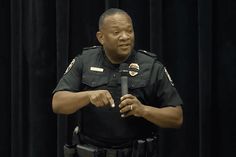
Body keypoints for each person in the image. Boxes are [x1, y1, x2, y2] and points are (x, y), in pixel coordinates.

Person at [52, 8, 183, 157]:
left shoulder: (151, 66)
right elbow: (57, 103)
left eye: (129, 31)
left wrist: (143, 110)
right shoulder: (84, 61)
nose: (125, 37)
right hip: (92, 151)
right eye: (116, 33)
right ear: (101, 37)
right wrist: (88, 96)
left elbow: (176, 117)